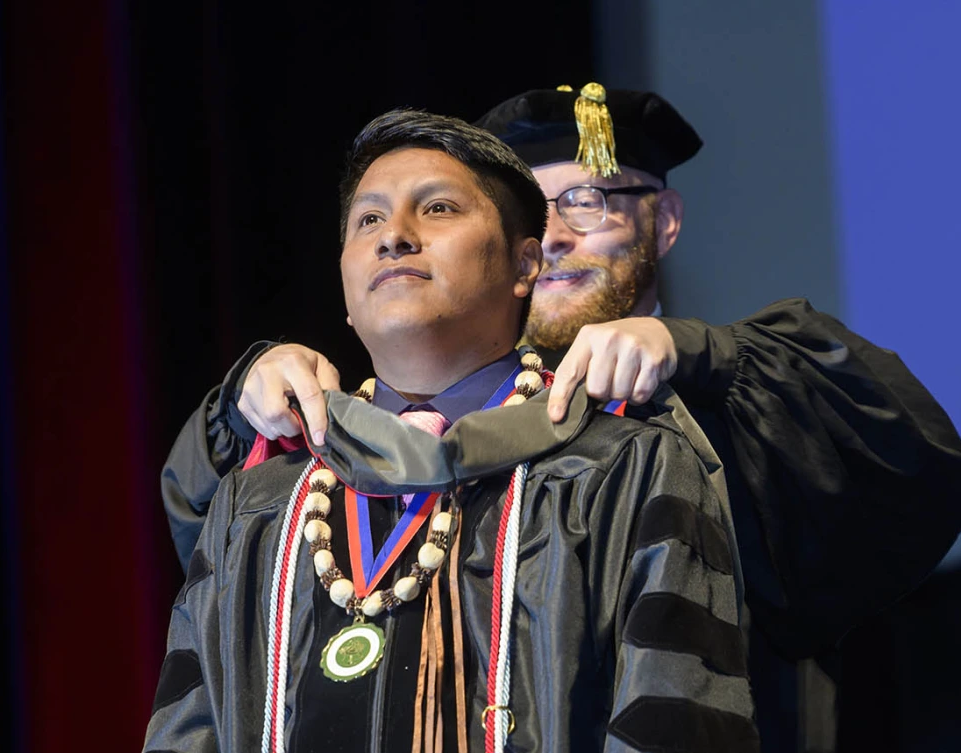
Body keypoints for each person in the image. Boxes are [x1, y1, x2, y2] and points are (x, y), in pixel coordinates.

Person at [161, 84, 961, 749]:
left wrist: (694, 355)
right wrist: (239, 406)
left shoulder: (676, 422)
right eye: (535, 209)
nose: (555, 237)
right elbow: (213, 571)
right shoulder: (342, 455)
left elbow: (910, 459)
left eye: (587, 201)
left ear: (664, 221)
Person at [145, 109, 755, 752]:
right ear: (345, 289)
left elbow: (673, 726)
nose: (394, 237)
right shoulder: (259, 506)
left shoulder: (625, 469)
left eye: (436, 209)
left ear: (528, 265)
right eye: (368, 220)